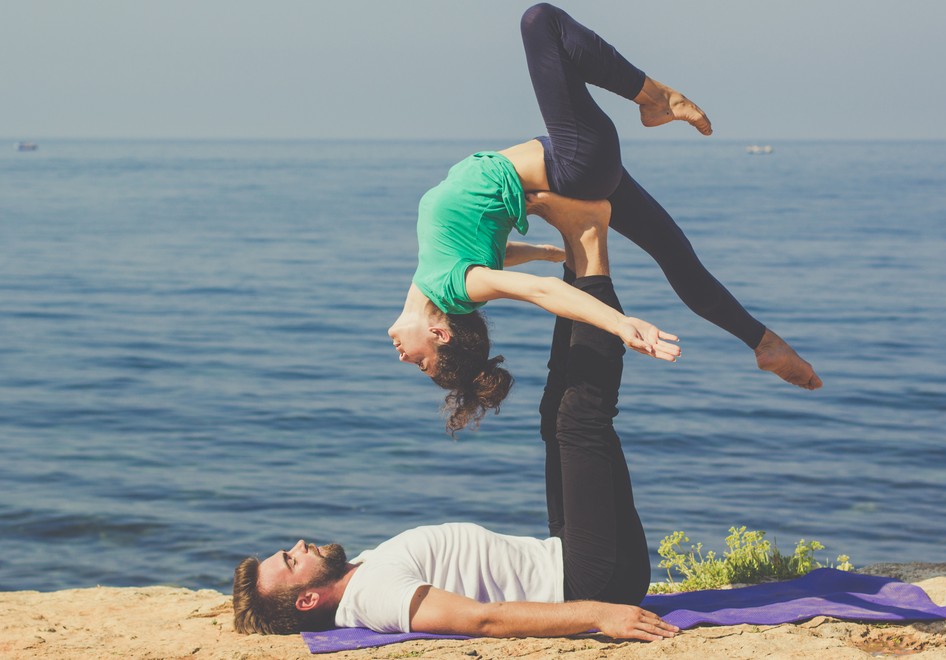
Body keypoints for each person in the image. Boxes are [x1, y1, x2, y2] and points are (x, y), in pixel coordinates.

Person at [233, 203, 674, 642]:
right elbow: (482, 619)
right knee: (580, 421)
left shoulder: (358, 573)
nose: (299, 546)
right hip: (587, 582)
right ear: (307, 599)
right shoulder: (374, 596)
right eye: (291, 562)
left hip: (568, 556)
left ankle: (581, 267)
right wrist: (600, 614)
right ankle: (592, 251)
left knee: (554, 415)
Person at [388, 3, 821, 434]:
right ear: (440, 334)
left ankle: (765, 344)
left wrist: (542, 251)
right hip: (574, 163)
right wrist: (619, 323)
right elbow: (540, 292)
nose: (404, 357)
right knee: (540, 21)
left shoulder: (438, 280)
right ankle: (658, 99)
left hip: (579, 170)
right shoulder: (456, 288)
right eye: (420, 362)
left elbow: (490, 253)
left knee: (677, 258)